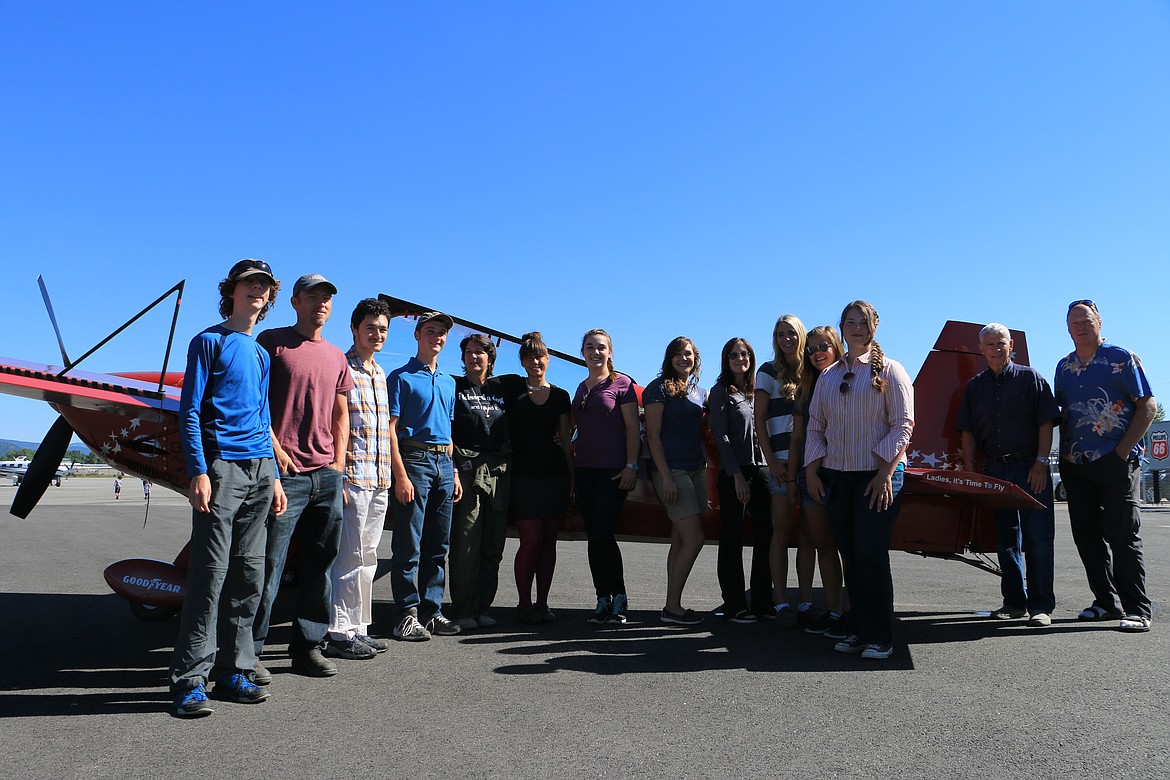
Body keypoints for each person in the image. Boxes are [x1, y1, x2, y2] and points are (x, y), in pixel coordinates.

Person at [169, 257, 287, 718]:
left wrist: (275, 477)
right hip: (222, 471)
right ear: (232, 291)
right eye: (249, 284)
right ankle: (188, 681)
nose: (258, 291)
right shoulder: (208, 342)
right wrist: (199, 470)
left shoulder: (259, 353)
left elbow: (262, 418)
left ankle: (235, 670)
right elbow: (191, 410)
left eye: (264, 286)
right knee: (210, 575)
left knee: (249, 575)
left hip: (260, 471)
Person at [253, 273, 353, 680]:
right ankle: (250, 652)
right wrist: (274, 446)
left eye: (327, 298)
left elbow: (341, 412)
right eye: (313, 297)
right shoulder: (271, 342)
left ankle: (308, 647)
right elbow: (254, 401)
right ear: (295, 301)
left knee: (319, 567)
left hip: (326, 476)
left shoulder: (336, 356)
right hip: (283, 475)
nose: (321, 304)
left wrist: (339, 465)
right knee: (267, 565)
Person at [805, 300, 913, 661]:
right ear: (842, 327)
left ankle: (880, 635)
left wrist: (885, 473)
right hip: (838, 476)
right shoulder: (828, 376)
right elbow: (816, 427)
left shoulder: (892, 370)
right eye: (849, 323)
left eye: (862, 323)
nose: (856, 329)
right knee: (850, 555)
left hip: (876, 477)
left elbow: (903, 425)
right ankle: (857, 627)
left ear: (874, 327)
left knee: (870, 555)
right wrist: (811, 471)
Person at [1055, 300, 1155, 633]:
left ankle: (1137, 608)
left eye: (1086, 321)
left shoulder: (1121, 359)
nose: (1080, 327)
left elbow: (1147, 404)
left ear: (1099, 323)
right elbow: (1062, 413)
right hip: (1076, 463)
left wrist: (1123, 451)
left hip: (1115, 461)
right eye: (1074, 322)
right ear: (1067, 328)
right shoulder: (1064, 367)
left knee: (1122, 535)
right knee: (1087, 537)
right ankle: (1105, 603)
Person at [956, 322, 1059, 628]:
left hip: (1029, 468)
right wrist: (974, 474)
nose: (996, 349)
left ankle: (1041, 607)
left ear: (1011, 345)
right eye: (989, 344)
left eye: (1001, 343)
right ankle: (1014, 603)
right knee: (1006, 539)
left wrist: (1040, 463)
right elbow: (968, 432)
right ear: (981, 349)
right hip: (995, 469)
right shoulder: (975, 387)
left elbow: (1046, 423)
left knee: (1039, 538)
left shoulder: (1031, 379)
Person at [386, 311, 464, 641]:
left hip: (443, 464)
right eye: (430, 331)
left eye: (442, 333)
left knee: (438, 544)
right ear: (417, 336)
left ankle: (433, 612)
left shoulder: (448, 381)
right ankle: (406, 614)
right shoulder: (400, 377)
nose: (437, 337)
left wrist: (455, 471)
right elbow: (389, 430)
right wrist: (400, 475)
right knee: (409, 543)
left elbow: (448, 430)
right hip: (413, 459)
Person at [324, 298, 394, 662]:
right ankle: (340, 630)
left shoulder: (380, 373)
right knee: (348, 557)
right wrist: (340, 474)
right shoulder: (342, 366)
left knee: (369, 557)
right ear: (355, 328)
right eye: (370, 327)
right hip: (354, 475)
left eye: (382, 328)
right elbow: (338, 423)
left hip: (379, 477)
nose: (377, 333)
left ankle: (359, 628)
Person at [572, 328, 640, 624]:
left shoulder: (622, 383)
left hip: (613, 472)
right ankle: (602, 598)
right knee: (593, 536)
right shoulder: (581, 387)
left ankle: (620, 597)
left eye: (601, 347)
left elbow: (632, 429)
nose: (595, 352)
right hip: (584, 470)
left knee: (602, 532)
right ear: (583, 352)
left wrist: (632, 466)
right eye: (590, 347)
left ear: (610, 352)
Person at [449, 333, 513, 631]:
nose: (474, 357)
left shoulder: (504, 388)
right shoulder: (454, 386)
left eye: (481, 352)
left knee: (493, 543)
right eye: (469, 352)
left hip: (499, 472)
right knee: (466, 542)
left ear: (491, 357)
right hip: (467, 470)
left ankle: (484, 605)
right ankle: (463, 608)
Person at [508, 332, 573, 625]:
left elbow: (566, 440)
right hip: (523, 477)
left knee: (549, 543)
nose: (535, 361)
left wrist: (572, 480)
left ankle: (542, 603)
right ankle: (523, 604)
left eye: (540, 356)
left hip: (555, 476)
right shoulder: (511, 389)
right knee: (530, 542)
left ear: (548, 359)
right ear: (522, 362)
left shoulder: (561, 396)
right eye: (529, 356)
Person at [755, 314, 815, 626]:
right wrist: (771, 459)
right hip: (779, 463)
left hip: (812, 463)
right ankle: (780, 600)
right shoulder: (767, 372)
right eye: (780, 334)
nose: (785, 339)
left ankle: (805, 599)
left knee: (808, 534)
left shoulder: (813, 371)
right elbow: (759, 418)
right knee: (781, 531)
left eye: (791, 333)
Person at [644, 337, 708, 625]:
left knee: (680, 538)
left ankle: (672, 604)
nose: (684, 359)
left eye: (689, 354)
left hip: (696, 469)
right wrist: (667, 476)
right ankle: (672, 607)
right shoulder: (658, 388)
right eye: (678, 354)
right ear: (669, 358)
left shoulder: (699, 392)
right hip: (672, 471)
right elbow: (654, 436)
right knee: (695, 539)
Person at [708, 337, 772, 624]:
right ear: (726, 360)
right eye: (733, 354)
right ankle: (734, 604)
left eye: (744, 353)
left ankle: (763, 602)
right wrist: (736, 476)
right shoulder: (720, 392)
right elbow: (720, 437)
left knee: (766, 537)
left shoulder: (759, 391)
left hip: (763, 471)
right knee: (732, 538)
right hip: (735, 472)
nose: (739, 358)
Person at [789, 325, 846, 637]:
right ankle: (835, 611)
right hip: (811, 474)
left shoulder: (851, 378)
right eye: (810, 349)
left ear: (836, 345)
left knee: (848, 546)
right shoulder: (805, 388)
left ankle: (852, 611)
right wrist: (793, 480)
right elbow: (798, 438)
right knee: (823, 544)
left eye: (823, 345)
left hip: (845, 472)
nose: (816, 353)